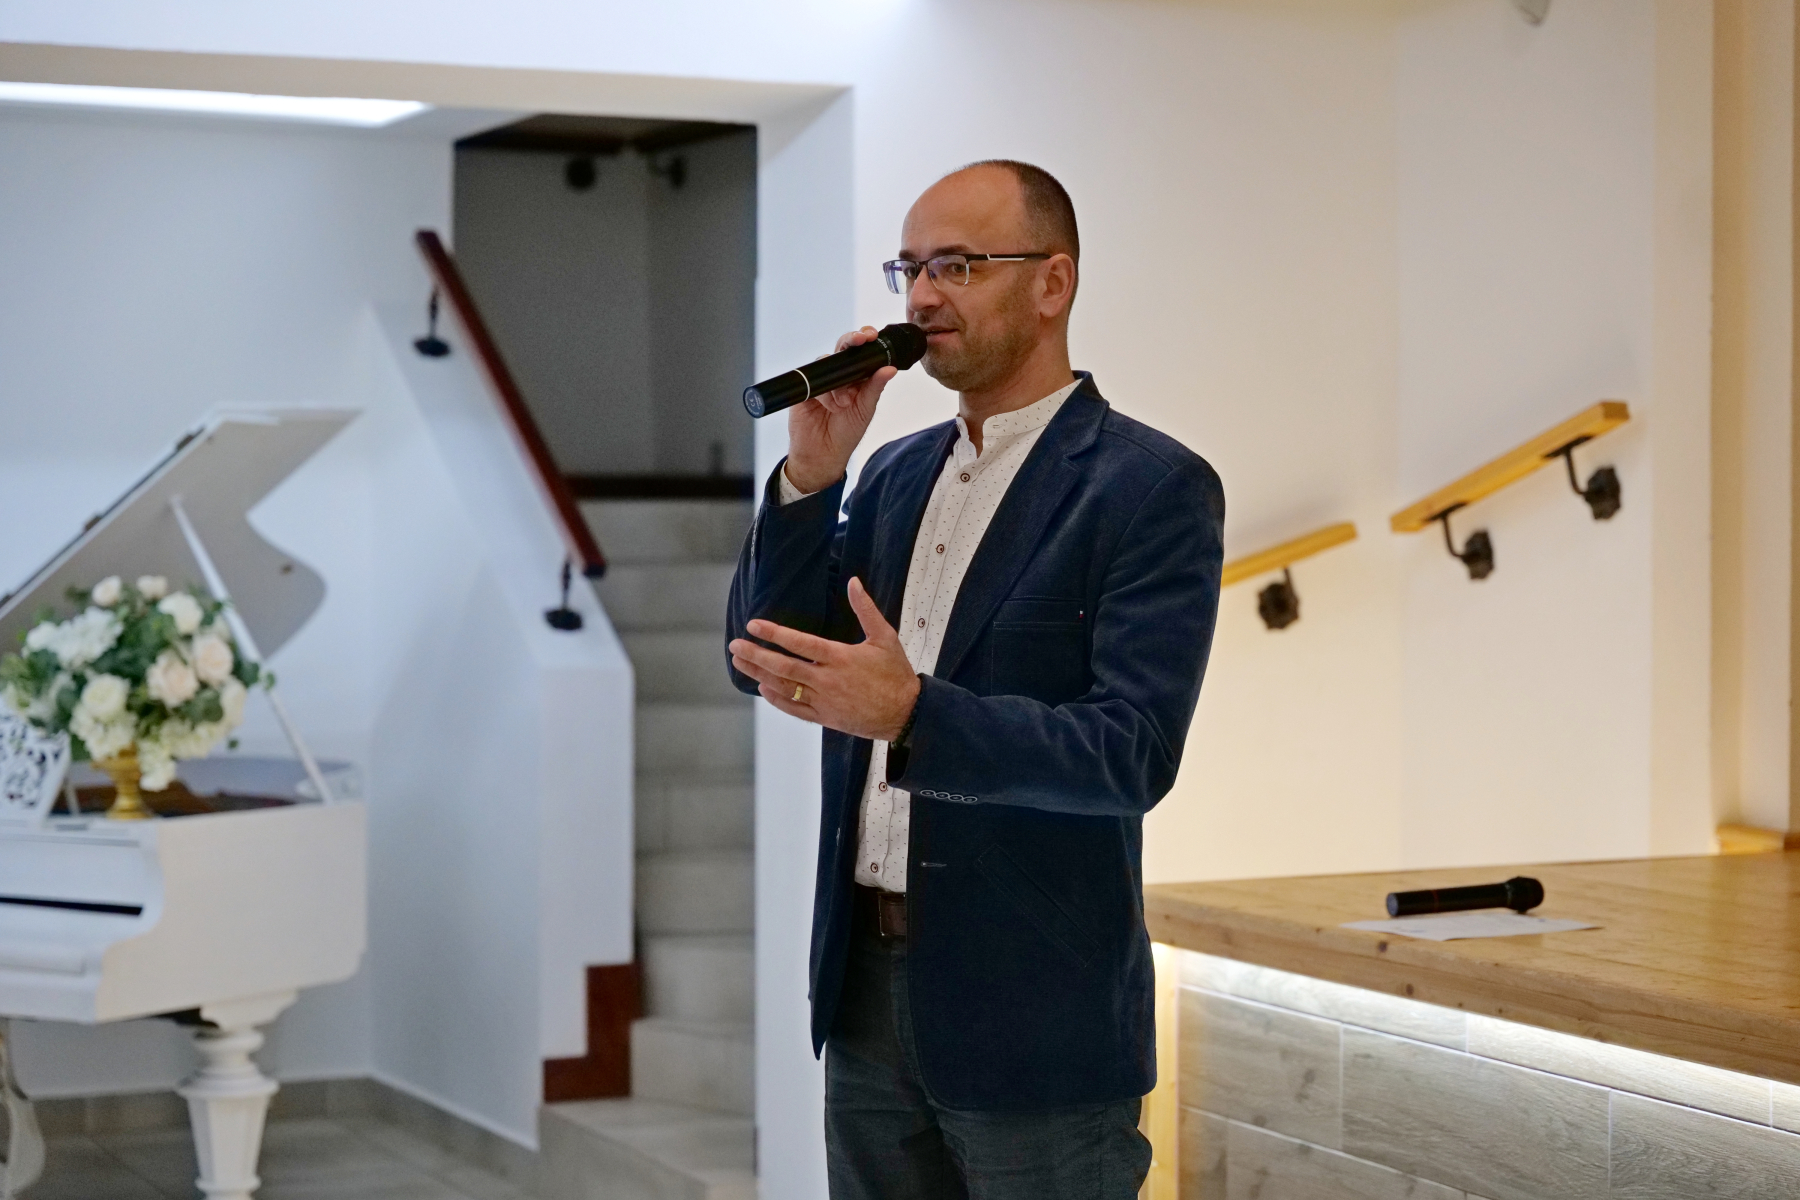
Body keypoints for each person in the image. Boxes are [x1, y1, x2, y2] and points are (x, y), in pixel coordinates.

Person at [725, 160, 1224, 1200]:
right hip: (864, 991)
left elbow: (1130, 752)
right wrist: (813, 474)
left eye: (956, 265)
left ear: (1052, 283)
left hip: (1035, 1011)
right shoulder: (893, 473)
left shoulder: (1148, 488)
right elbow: (765, 652)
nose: (920, 296)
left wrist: (915, 713)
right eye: (909, 268)